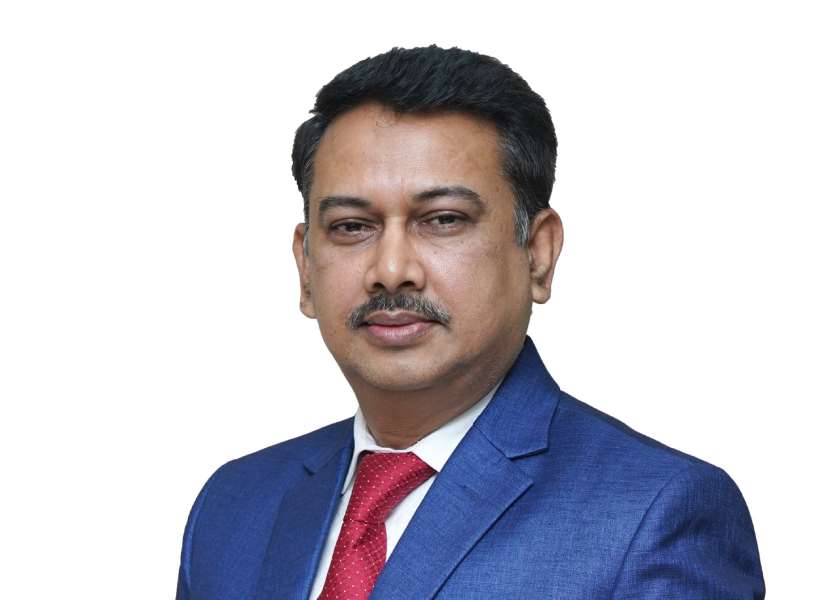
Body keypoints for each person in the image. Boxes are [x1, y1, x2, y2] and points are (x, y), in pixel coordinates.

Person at [176, 46, 765, 600]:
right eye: (352, 226)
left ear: (538, 254)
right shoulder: (234, 506)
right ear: (306, 268)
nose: (391, 270)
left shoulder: (655, 513)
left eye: (443, 220)